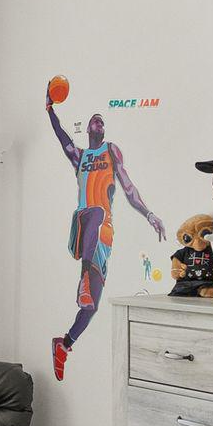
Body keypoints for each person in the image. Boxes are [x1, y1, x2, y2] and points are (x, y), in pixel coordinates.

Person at [46, 80, 164, 380]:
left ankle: (64, 344)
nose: (99, 121)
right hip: (85, 219)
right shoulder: (80, 157)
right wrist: (49, 110)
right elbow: (61, 138)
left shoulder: (112, 152)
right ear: (88, 130)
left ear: (104, 130)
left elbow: (128, 187)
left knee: (92, 306)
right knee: (97, 210)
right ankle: (85, 275)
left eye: (102, 120)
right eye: (93, 120)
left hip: (104, 233)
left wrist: (149, 213)